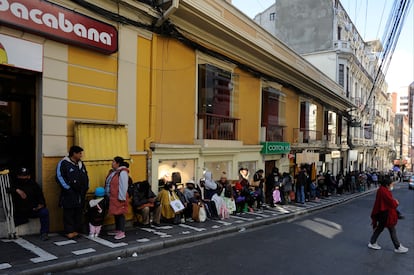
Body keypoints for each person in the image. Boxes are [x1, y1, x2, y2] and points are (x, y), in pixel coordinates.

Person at [368, 177, 408, 253]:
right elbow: (390, 202)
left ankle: (372, 242)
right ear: (387, 185)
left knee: (380, 228)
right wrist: (396, 202)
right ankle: (397, 247)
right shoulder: (384, 191)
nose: (392, 186)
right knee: (391, 229)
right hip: (385, 214)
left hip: (383, 213)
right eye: (391, 185)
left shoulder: (382, 190)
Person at [56, 145, 89, 239]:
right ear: (74, 153)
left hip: (80, 193)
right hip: (69, 193)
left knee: (78, 212)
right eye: (79, 153)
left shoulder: (80, 164)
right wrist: (68, 188)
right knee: (68, 213)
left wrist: (86, 187)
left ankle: (76, 230)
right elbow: (59, 177)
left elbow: (85, 175)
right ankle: (69, 231)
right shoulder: (64, 163)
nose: (81, 155)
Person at [10, 167, 50, 241]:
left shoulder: (33, 184)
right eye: (21, 176)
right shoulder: (15, 183)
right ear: (18, 176)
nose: (23, 178)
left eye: (25, 176)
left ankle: (44, 233)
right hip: (20, 211)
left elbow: (40, 197)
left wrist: (40, 205)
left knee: (44, 212)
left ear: (29, 176)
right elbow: (6, 189)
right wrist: (17, 190)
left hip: (32, 209)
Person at [105, 156, 129, 240]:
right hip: (113, 197)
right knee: (116, 213)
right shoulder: (114, 172)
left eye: (113, 162)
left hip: (118, 197)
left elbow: (123, 185)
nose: (112, 163)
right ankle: (118, 229)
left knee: (120, 214)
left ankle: (121, 232)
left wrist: (122, 197)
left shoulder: (122, 172)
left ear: (118, 163)